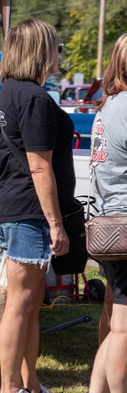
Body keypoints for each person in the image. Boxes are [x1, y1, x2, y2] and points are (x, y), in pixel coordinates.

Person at [0, 18, 72, 393]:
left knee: (29, 301)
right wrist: (56, 223)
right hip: (28, 211)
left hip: (11, 207)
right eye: (56, 46)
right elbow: (39, 166)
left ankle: (30, 383)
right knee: (20, 303)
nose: (59, 53)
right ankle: (10, 388)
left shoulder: (5, 93)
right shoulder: (34, 98)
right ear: (41, 51)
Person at [89, 32, 127, 393]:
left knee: (116, 325)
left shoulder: (109, 106)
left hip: (109, 225)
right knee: (124, 330)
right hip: (125, 225)